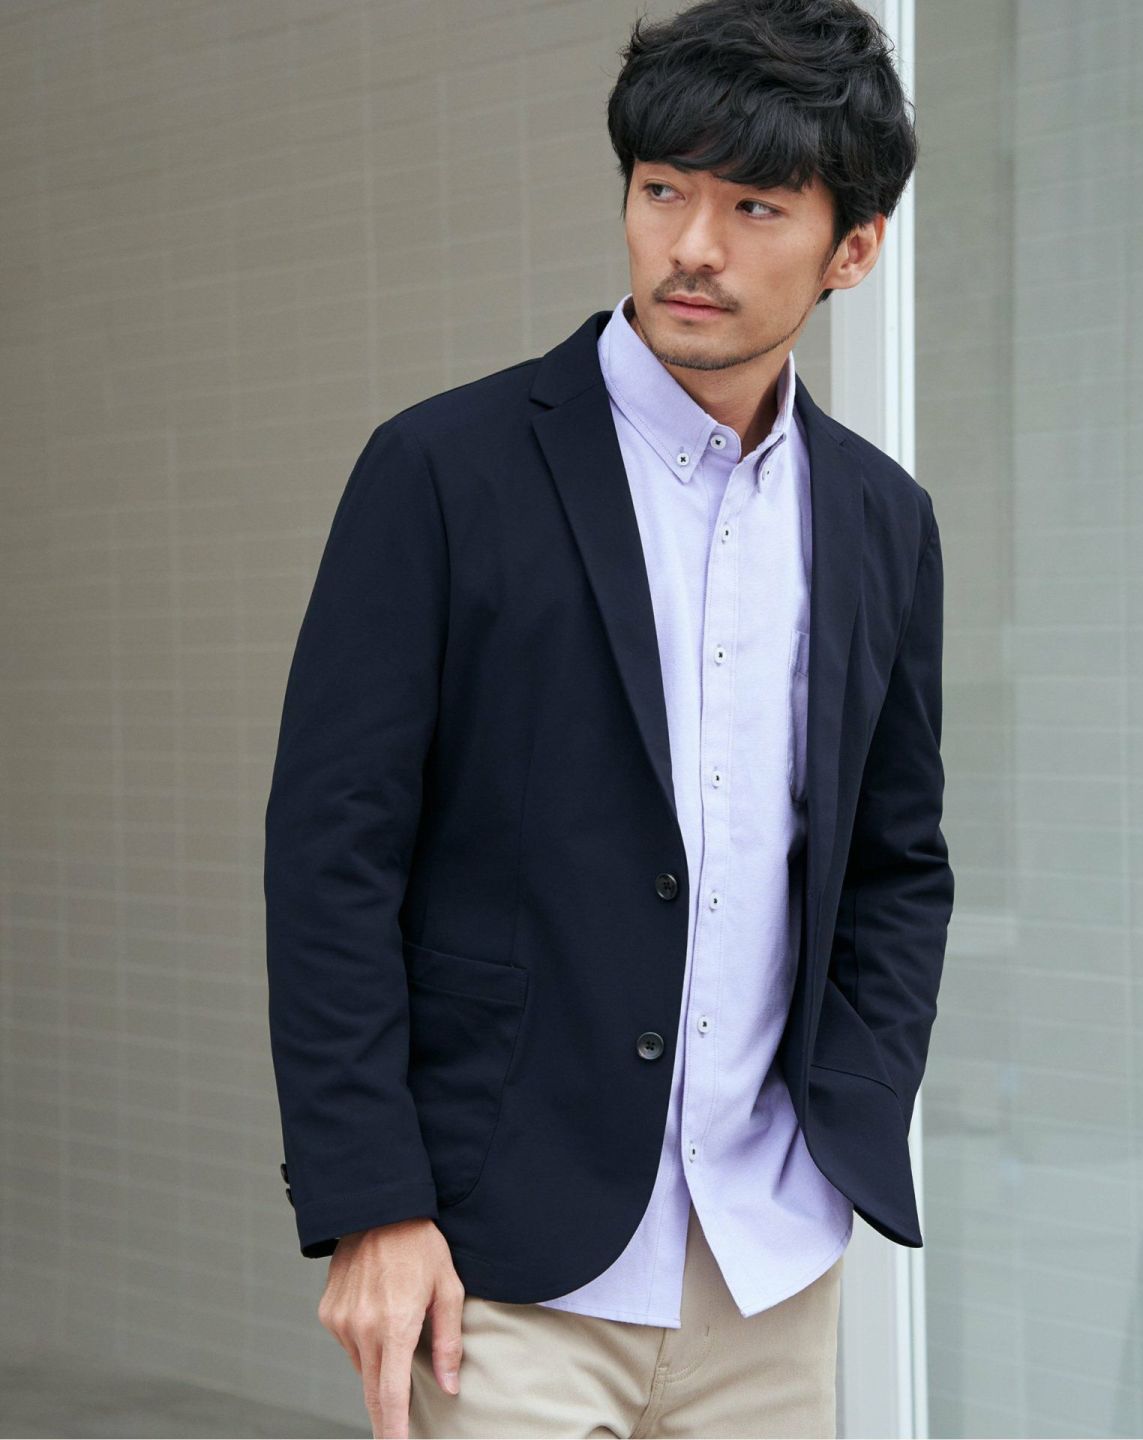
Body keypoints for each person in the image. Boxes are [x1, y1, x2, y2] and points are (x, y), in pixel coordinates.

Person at [263, 0, 953, 1435]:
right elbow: (333, 853)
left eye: (755, 206)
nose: (692, 245)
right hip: (499, 1268)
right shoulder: (444, 471)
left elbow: (897, 865)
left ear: (854, 248)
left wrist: (852, 1112)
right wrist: (373, 1199)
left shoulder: (882, 521)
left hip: (769, 1267)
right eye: (661, 191)